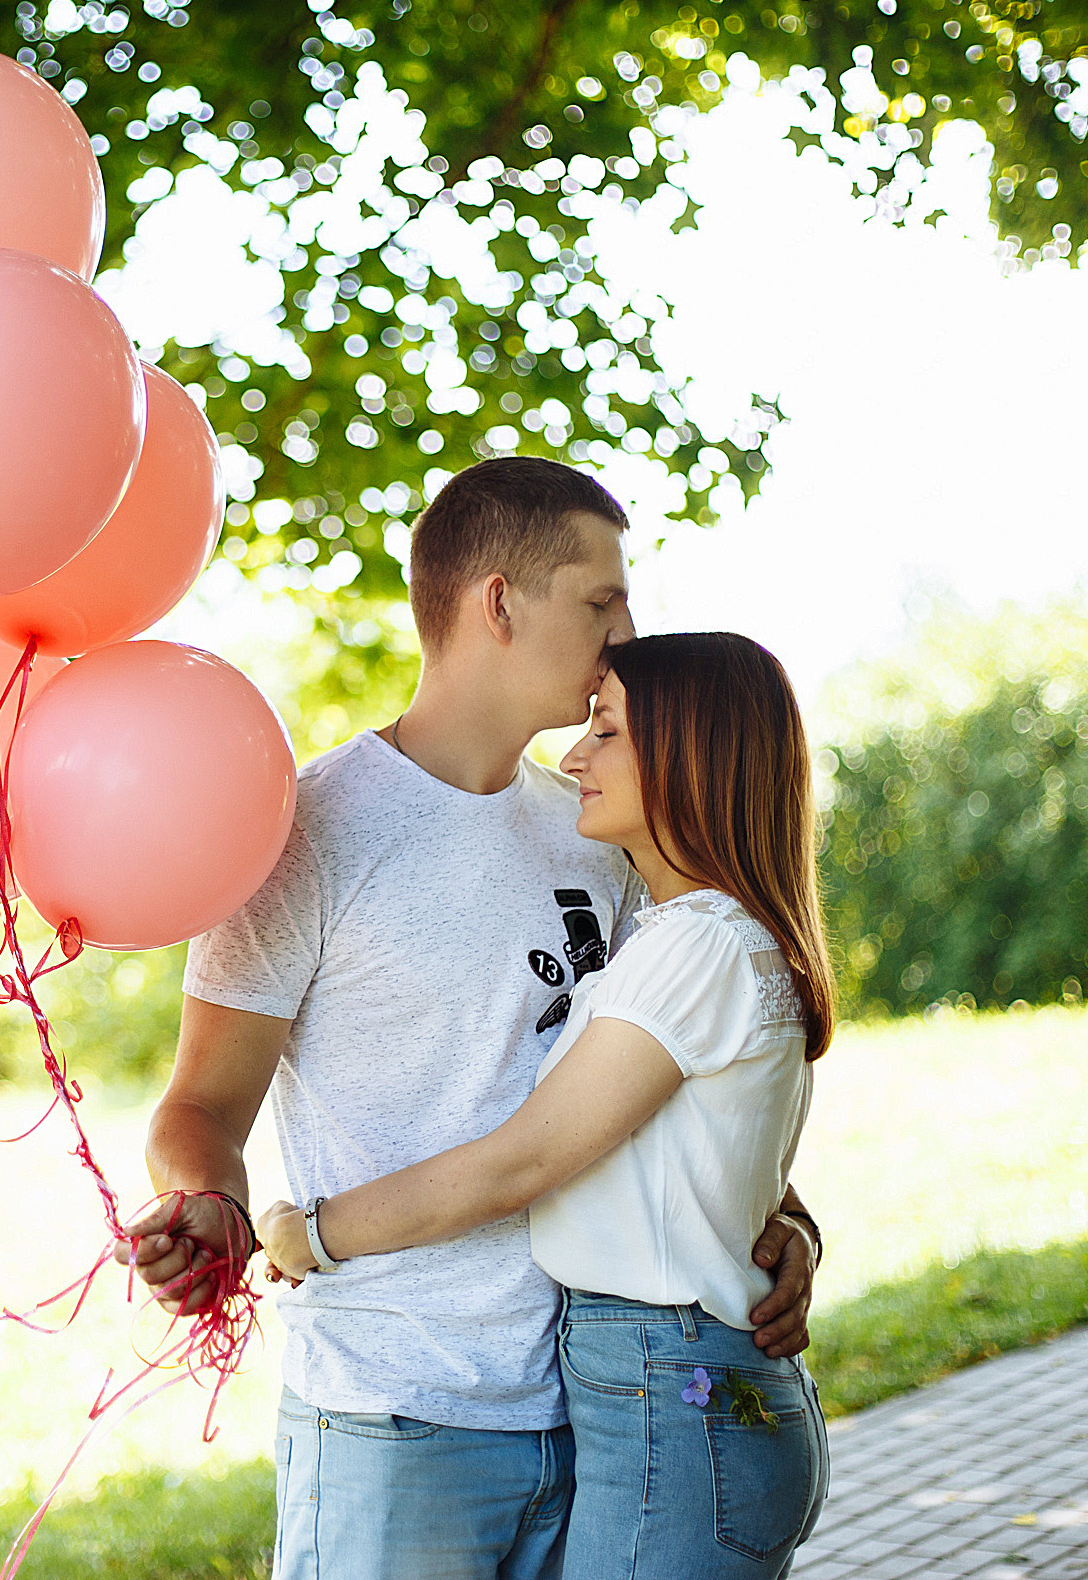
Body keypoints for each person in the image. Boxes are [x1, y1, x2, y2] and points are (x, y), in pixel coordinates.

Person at [121, 460, 821, 1580]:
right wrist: (210, 1202)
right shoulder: (308, 831)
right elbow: (200, 1104)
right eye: (601, 601)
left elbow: (684, 1075)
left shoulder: (601, 828)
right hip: (400, 1416)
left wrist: (782, 1223)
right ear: (499, 602)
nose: (627, 632)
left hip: (603, 1414)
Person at [259, 632, 836, 1578]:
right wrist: (793, 1227)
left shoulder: (696, 946)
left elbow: (524, 1160)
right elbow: (709, 1147)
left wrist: (311, 1233)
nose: (573, 756)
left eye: (605, 732)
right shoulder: (691, 933)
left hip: (670, 1393)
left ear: (693, 755)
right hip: (668, 1392)